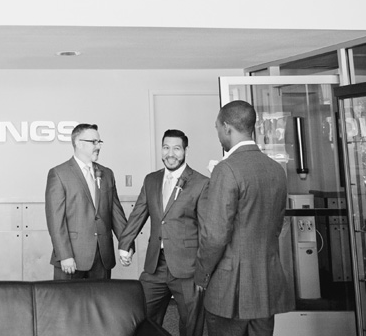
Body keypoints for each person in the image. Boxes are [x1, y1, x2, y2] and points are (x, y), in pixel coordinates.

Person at [195, 100, 294, 336]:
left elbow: (216, 235)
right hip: (266, 284)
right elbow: (278, 224)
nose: (218, 133)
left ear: (227, 127)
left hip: (231, 288)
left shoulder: (226, 169)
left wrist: (202, 273)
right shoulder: (276, 169)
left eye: (217, 127)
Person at [117, 129, 208, 336]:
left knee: (191, 325)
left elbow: (206, 231)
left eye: (176, 148)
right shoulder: (151, 180)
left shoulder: (201, 183)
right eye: (166, 147)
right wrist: (125, 243)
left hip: (188, 268)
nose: (170, 153)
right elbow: (138, 213)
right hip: (155, 265)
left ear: (185, 150)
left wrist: (204, 270)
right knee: (141, 318)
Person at [45, 123, 128, 279]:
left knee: (99, 303)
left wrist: (126, 244)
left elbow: (116, 214)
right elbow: (55, 220)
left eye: (99, 142)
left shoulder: (107, 174)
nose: (98, 146)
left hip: (102, 258)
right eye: (94, 142)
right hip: (71, 258)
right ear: (78, 143)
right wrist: (64, 255)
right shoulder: (58, 174)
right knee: (67, 303)